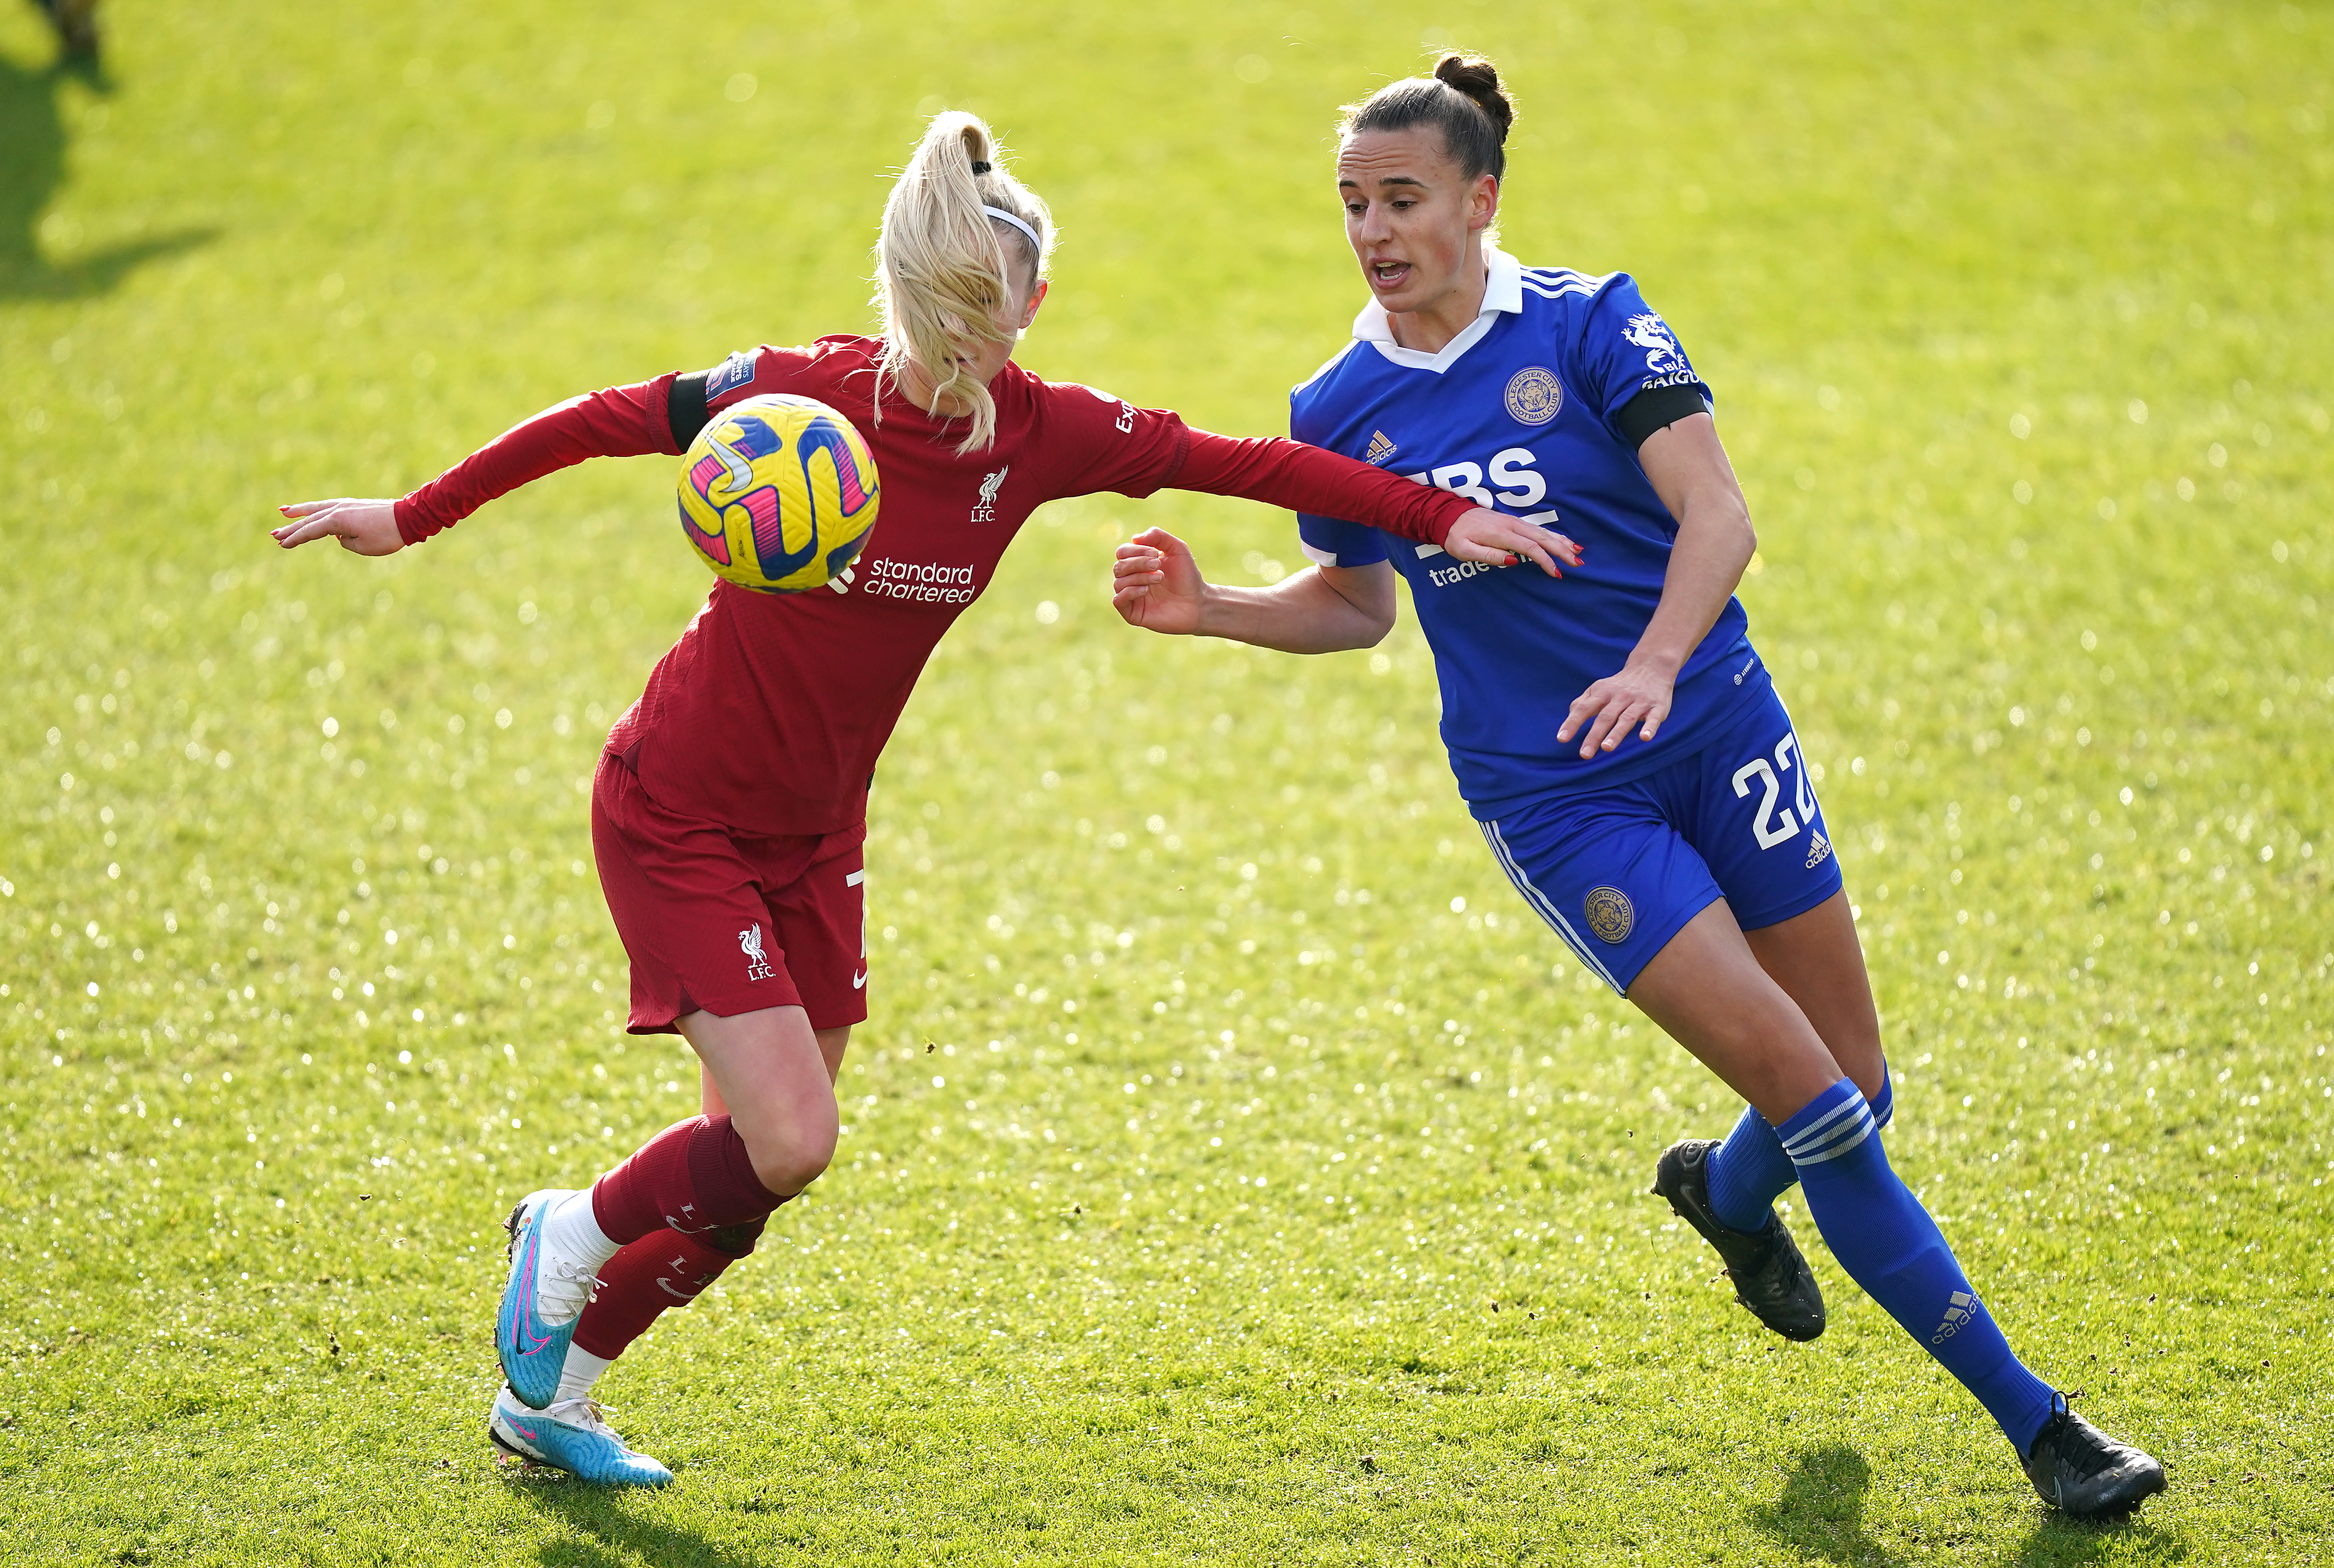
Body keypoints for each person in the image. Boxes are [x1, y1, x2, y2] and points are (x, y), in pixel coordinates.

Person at [273, 109, 1555, 1487]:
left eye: (991, 311)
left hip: (820, 832)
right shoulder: (796, 393)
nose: (965, 340)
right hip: (679, 806)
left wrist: (1435, 519)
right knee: (792, 1134)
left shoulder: (1048, 432)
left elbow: (1249, 464)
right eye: (941, 306)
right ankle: (571, 1229)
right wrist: (409, 514)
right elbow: (603, 420)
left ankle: (554, 1402)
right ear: (901, 291)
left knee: (755, 1168)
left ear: (1033, 306)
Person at [1110, 55, 2165, 1520]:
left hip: (1718, 719)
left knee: (1856, 1080)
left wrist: (1661, 666)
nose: (1374, 229)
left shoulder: (1596, 321)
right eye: (1354, 203)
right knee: (1822, 1101)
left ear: (1481, 199)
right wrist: (1213, 606)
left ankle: (1724, 1195)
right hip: (1563, 798)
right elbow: (1360, 605)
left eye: (1403, 198)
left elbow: (1718, 516)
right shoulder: (1336, 406)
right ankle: (2046, 1432)